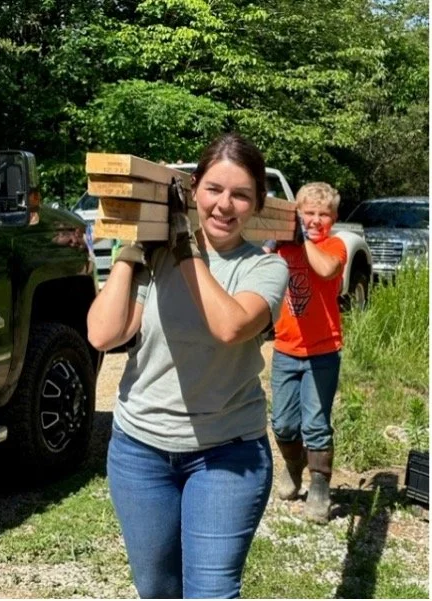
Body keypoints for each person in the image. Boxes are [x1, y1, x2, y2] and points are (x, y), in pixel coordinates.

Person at [87, 132, 289, 599]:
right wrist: (130, 250)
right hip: (140, 451)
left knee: (212, 591)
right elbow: (103, 334)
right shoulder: (156, 256)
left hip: (227, 455)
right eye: (214, 189)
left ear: (257, 204)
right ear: (193, 190)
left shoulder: (264, 268)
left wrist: (185, 248)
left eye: (241, 194)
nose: (224, 205)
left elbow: (230, 326)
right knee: (157, 588)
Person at [265, 182, 347, 525]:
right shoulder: (283, 250)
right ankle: (293, 464)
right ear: (297, 214)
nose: (315, 220)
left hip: (322, 352)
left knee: (315, 423)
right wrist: (272, 245)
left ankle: (320, 487)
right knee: (283, 424)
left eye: (323, 214)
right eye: (308, 213)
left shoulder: (334, 246)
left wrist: (303, 240)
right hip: (285, 349)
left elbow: (326, 270)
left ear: (333, 218)